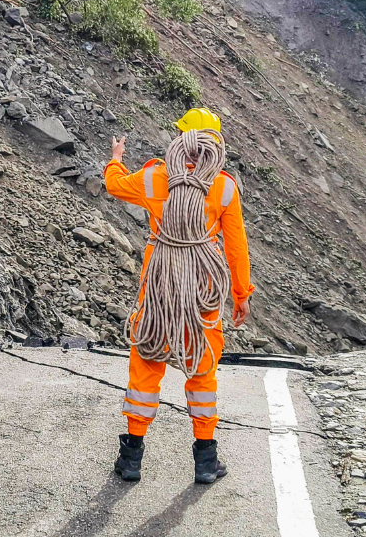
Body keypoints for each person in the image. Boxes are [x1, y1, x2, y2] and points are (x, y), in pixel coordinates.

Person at [103, 107, 255, 484]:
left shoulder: (156, 176)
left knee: (147, 362)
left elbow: (115, 186)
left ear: (182, 138)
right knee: (202, 370)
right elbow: (236, 247)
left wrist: (116, 159)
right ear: (216, 144)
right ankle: (205, 461)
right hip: (200, 293)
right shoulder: (223, 187)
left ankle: (131, 459)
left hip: (159, 289)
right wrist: (240, 294)